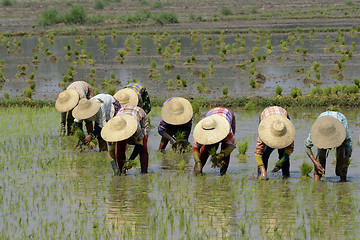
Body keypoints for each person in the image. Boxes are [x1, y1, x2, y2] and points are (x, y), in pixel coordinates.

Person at [101, 105, 149, 175]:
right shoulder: (110, 133)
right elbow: (111, 152)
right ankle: (122, 171)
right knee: (120, 148)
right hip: (122, 114)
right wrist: (115, 169)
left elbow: (139, 144)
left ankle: (144, 172)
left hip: (139, 116)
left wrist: (130, 160)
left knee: (143, 149)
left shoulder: (136, 126)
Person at [304, 111, 352, 182]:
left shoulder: (342, 131)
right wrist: (315, 162)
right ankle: (316, 185)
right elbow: (307, 146)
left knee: (341, 157)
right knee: (320, 156)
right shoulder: (318, 131)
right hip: (323, 124)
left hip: (338, 124)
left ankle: (343, 181)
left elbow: (348, 147)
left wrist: (346, 161)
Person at [254, 106, 295, 180]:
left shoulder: (289, 133)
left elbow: (289, 149)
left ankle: (286, 177)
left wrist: (280, 163)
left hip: (283, 114)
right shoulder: (264, 133)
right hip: (266, 115)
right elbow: (258, 152)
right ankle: (261, 175)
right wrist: (262, 170)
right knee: (265, 153)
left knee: (283, 151)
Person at [192, 107, 236, 175]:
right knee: (206, 148)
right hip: (211, 114)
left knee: (225, 146)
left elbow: (231, 146)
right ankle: (198, 171)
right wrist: (198, 162)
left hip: (227, 114)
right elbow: (195, 148)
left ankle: (223, 174)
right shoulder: (201, 130)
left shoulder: (227, 129)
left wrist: (220, 156)